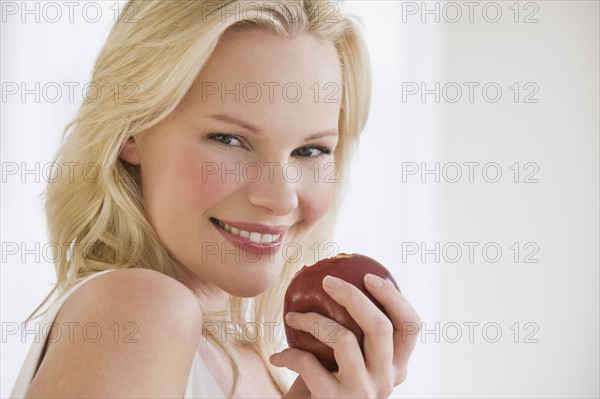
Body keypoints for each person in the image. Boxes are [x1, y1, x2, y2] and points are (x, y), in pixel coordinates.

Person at [11, 0, 420, 397]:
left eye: (311, 150)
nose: (279, 198)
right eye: (229, 140)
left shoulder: (262, 367)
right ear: (131, 131)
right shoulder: (139, 313)